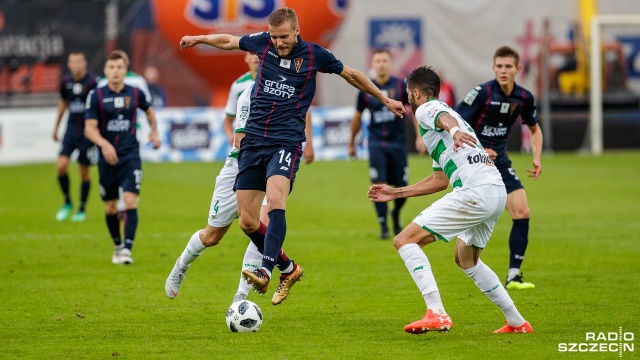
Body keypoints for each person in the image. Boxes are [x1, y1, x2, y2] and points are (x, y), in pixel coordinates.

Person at [179, 7, 405, 297]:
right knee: (247, 222)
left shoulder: (314, 55)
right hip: (254, 142)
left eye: (284, 37)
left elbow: (351, 75)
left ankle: (265, 269)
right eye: (274, 37)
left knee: (275, 200)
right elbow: (229, 41)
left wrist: (384, 99)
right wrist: (198, 38)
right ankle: (289, 268)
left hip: (285, 142)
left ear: (297, 30)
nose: (279, 43)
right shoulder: (262, 43)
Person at [368, 65, 533, 334]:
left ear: (417, 92)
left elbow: (444, 117)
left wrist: (455, 132)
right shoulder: (440, 133)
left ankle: (437, 312)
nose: (408, 97)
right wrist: (396, 192)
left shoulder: (428, 110)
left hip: (475, 192)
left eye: (409, 93)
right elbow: (440, 181)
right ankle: (517, 322)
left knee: (405, 240)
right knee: (466, 260)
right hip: (495, 191)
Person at [164, 80, 315, 306]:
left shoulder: (289, 88)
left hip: (273, 165)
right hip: (242, 163)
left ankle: (240, 299)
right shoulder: (245, 92)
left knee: (258, 223)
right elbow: (239, 138)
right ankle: (180, 266)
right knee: (212, 236)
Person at [454, 46, 542, 290]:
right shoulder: (482, 93)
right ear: (494, 68)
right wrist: (480, 150)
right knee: (475, 221)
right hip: (474, 163)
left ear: (518, 69)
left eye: (508, 66)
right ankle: (469, 260)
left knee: (522, 212)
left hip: (500, 162)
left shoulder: (524, 97)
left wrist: (537, 156)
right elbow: (456, 123)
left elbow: (534, 129)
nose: (503, 71)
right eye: (499, 66)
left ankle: (514, 275)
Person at [84, 50, 161, 265]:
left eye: (119, 67)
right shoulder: (96, 95)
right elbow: (89, 129)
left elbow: (149, 111)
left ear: (125, 70)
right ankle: (117, 245)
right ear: (106, 71)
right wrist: (104, 145)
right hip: (106, 158)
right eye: (112, 67)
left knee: (129, 200)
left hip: (130, 155)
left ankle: (127, 248)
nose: (115, 71)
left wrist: (154, 132)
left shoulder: (135, 92)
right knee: (110, 206)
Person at [348, 49, 425, 239]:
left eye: (384, 60)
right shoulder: (366, 90)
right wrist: (351, 143)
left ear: (390, 63)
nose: (381, 64)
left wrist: (419, 136)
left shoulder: (401, 86)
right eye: (378, 61)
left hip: (398, 144)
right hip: (376, 144)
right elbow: (357, 117)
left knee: (402, 185)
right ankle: (383, 225)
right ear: (373, 64)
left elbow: (414, 111)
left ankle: (396, 213)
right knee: (378, 184)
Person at [52, 51, 100, 222]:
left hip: (88, 131)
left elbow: (100, 107)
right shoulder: (66, 81)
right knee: (61, 166)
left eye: (79, 61)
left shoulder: (94, 82)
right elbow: (63, 103)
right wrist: (56, 127)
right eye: (73, 62)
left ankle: (81, 209)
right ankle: (67, 202)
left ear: (84, 63)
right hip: (71, 130)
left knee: (84, 172)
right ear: (69, 64)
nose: (76, 65)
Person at [222, 53, 259, 145]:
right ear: (246, 58)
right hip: (246, 140)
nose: (256, 56)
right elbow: (228, 119)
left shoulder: (277, 81)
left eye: (259, 52)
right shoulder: (238, 85)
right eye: (252, 53)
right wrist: (231, 137)